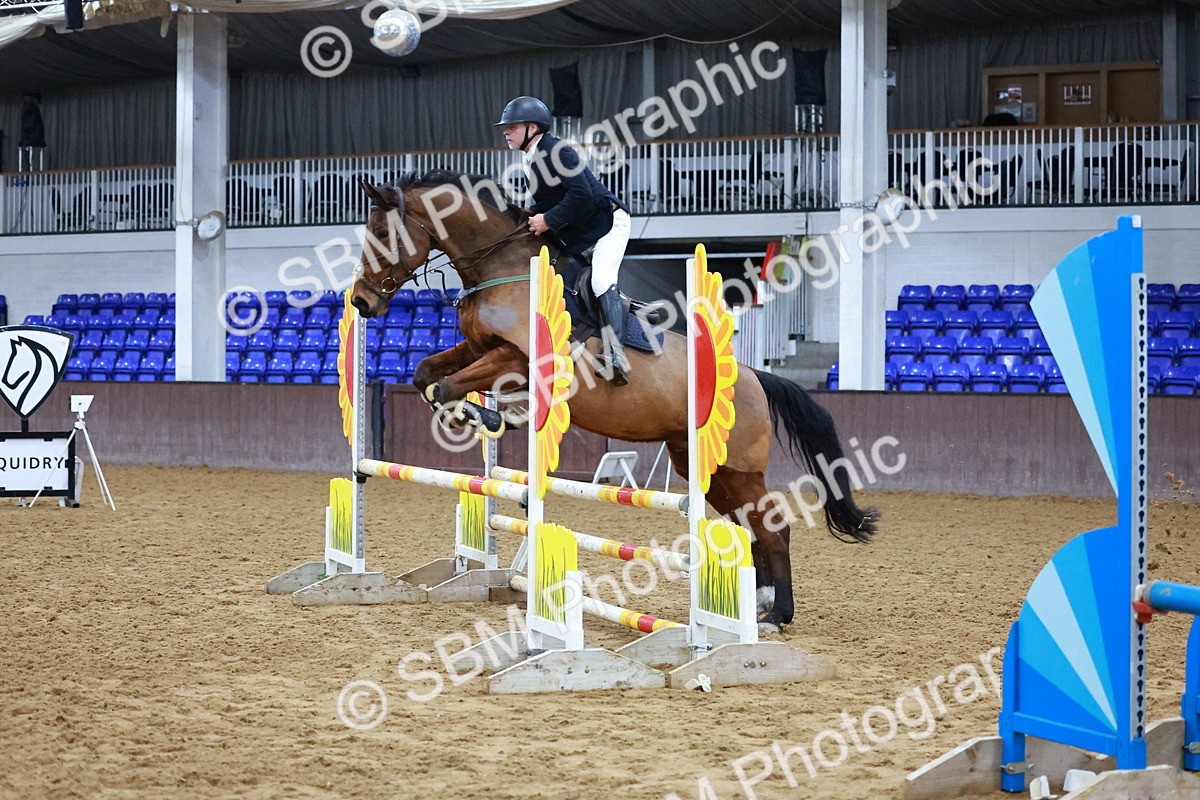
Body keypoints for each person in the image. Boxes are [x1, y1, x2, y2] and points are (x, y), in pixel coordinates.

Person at [495, 96, 632, 386]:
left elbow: (582, 193)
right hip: (581, 232)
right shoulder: (530, 156)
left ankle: (615, 355)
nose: (506, 132)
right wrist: (529, 211)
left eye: (512, 127)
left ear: (532, 127)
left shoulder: (557, 151)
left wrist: (548, 220)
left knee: (600, 281)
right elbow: (551, 197)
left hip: (609, 224)